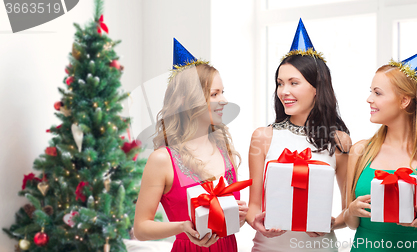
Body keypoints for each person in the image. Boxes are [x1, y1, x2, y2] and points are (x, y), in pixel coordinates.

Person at [246, 19, 351, 252]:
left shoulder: (339, 140)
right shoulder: (263, 137)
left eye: (294, 83)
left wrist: (331, 223)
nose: (284, 91)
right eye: (280, 83)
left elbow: (349, 210)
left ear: (317, 88)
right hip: (268, 247)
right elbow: (253, 205)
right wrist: (257, 221)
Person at [134, 38, 247, 252]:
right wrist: (182, 227)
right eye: (214, 94)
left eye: (223, 92)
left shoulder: (224, 150)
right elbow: (141, 228)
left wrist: (238, 216)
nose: (223, 100)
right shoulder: (162, 160)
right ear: (187, 100)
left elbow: (226, 218)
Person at [344, 41, 417, 251]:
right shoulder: (360, 151)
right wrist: (351, 210)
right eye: (371, 92)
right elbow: (351, 224)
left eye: (377, 93)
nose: (369, 99)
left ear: (404, 101)